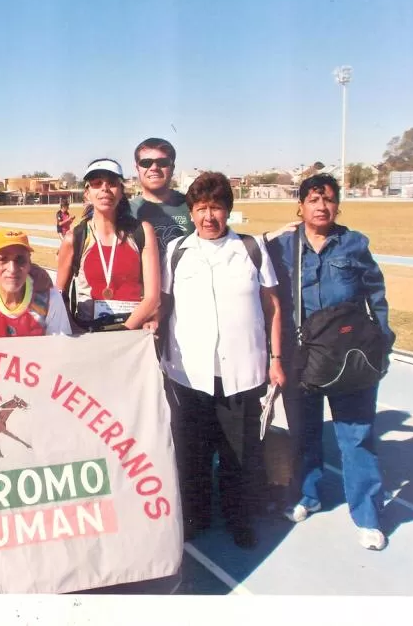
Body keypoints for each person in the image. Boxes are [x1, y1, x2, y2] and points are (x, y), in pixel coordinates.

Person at [265, 173, 395, 551]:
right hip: (301, 357)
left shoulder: (354, 244)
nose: (321, 207)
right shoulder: (285, 248)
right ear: (300, 206)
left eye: (329, 200)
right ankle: (308, 495)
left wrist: (381, 343)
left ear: (338, 205)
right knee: (304, 432)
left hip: (350, 355)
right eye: (313, 200)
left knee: (356, 436)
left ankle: (368, 516)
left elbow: (377, 295)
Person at [158, 172, 284, 549]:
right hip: (187, 372)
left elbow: (272, 306)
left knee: (240, 454)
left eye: (216, 208)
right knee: (192, 453)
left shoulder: (251, 248)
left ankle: (238, 519)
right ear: (191, 213)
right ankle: (196, 517)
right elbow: (164, 307)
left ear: (228, 210)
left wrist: (276, 358)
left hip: (242, 371)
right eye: (201, 209)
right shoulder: (176, 252)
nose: (209, 217)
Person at [56, 158, 159, 333]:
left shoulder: (142, 232)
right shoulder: (75, 238)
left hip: (132, 334)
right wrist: (73, 328)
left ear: (121, 191)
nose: (104, 188)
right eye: (96, 183)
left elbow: (152, 297)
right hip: (88, 335)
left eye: (112, 183)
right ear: (87, 193)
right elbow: (59, 295)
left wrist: (122, 333)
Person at [0, 230, 71, 339]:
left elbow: (60, 351)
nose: (12, 269)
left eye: (20, 259)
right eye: (3, 260)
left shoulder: (49, 297)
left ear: (29, 263)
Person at [129, 138, 193, 258]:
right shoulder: (125, 211)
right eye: (146, 163)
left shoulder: (192, 205)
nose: (154, 168)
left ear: (172, 167)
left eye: (162, 162)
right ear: (137, 168)